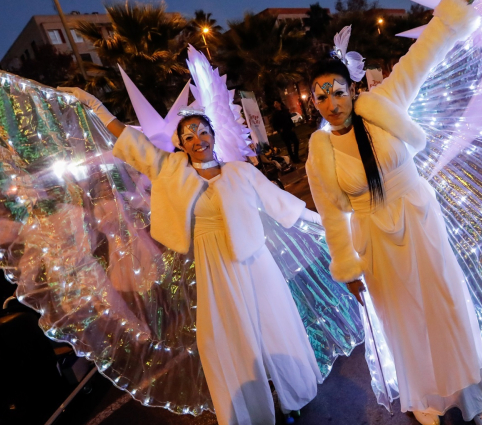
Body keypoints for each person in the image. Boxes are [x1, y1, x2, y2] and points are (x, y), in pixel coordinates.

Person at [60, 85, 323, 425]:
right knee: (228, 338)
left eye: (202, 132)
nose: (198, 139)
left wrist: (334, 224)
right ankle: (252, 413)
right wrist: (95, 105)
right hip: (214, 267)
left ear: (213, 135)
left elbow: (285, 206)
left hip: (257, 264)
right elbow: (134, 145)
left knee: (275, 325)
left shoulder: (241, 172)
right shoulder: (173, 173)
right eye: (189, 135)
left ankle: (293, 395)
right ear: (181, 144)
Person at [305, 0, 482, 424]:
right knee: (404, 321)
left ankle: (474, 399)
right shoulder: (320, 152)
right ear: (313, 103)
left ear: (350, 88)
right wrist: (347, 267)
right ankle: (426, 399)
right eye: (320, 96)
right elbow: (332, 213)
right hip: (374, 240)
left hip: (418, 221)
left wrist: (461, 1)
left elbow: (424, 54)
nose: (331, 102)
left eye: (336, 90)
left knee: (445, 305)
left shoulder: (383, 105)